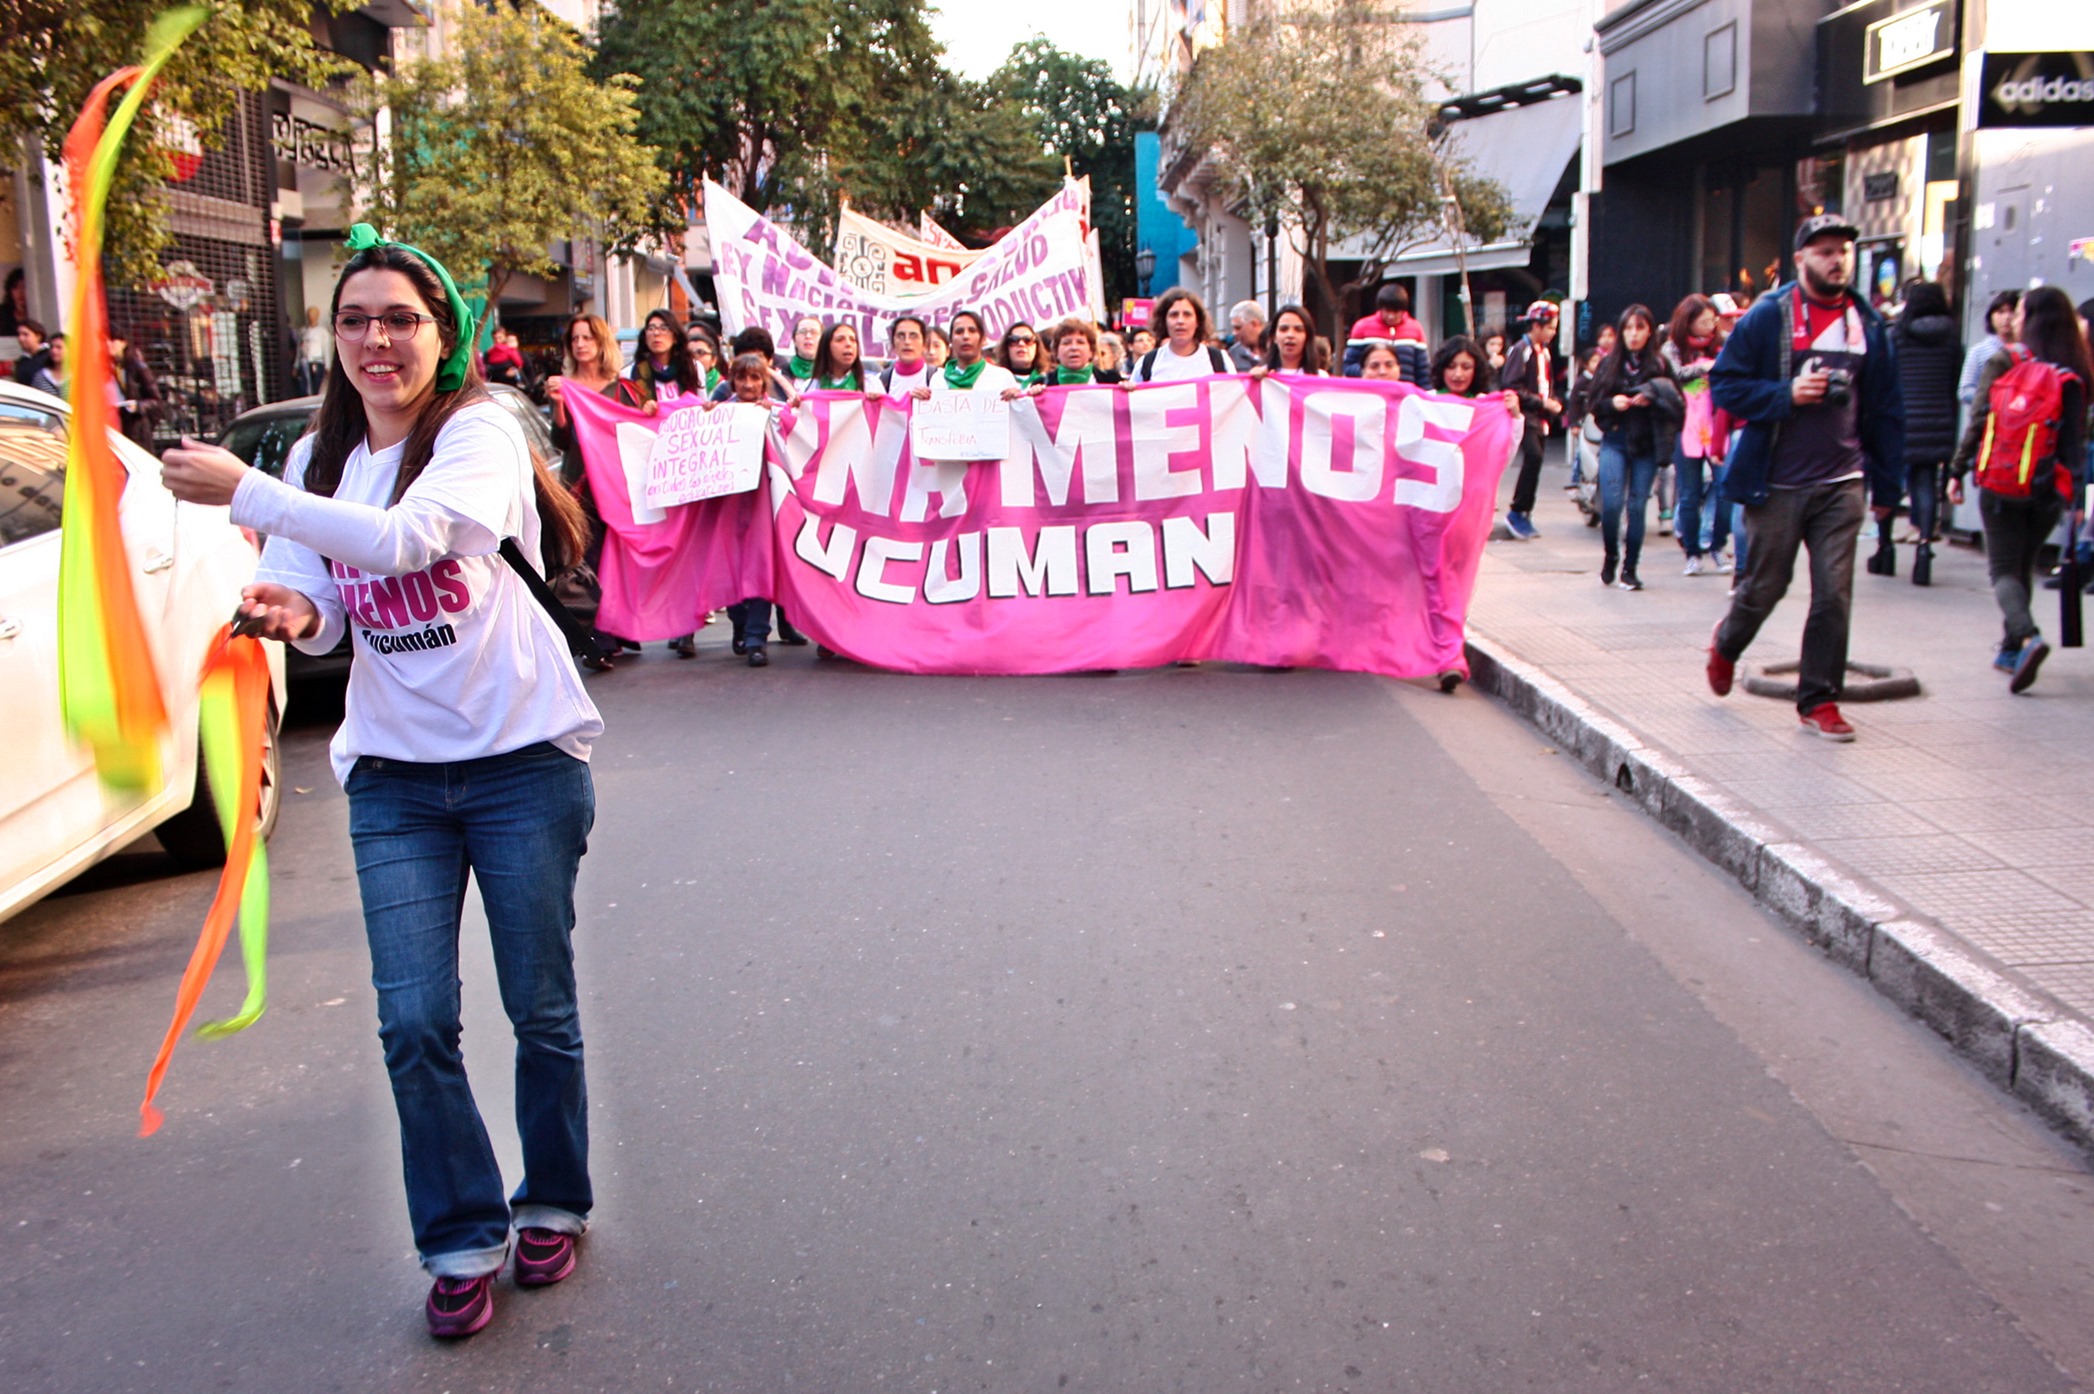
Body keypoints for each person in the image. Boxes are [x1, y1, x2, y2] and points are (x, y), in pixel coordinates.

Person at [158, 225, 603, 1340]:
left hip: (520, 765)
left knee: (538, 1004)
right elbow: (325, 611)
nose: (374, 339)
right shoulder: (321, 462)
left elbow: (413, 541)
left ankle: (553, 1193)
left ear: (441, 333)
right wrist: (288, 609)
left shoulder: (481, 432)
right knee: (413, 1021)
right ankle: (458, 1234)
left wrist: (249, 492)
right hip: (396, 780)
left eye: (398, 317)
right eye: (353, 319)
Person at [1706, 213, 1907, 741]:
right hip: (1776, 483)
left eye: (1843, 250)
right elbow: (1724, 384)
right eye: (1824, 252)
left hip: (1844, 481)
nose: (1837, 260)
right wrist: (1785, 396)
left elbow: (1885, 408)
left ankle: (1819, 699)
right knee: (1768, 585)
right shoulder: (1769, 317)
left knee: (1834, 594)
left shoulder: (1869, 323)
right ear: (1800, 260)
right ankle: (1727, 641)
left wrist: (1889, 486)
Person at [1947, 285, 2090, 692]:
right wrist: (2076, 497)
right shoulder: (2075, 371)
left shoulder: (2005, 360)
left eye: (2020, 311)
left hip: (2002, 482)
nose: (2013, 318)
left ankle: (2027, 636)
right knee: (2022, 562)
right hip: (2048, 489)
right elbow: (2076, 442)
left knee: (2003, 569)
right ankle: (2012, 648)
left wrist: (1956, 471)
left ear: (2030, 319)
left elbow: (1978, 421)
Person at [626, 308, 708, 657]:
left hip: (688, 468)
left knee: (691, 549)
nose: (656, 333)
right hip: (652, 469)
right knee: (666, 551)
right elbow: (624, 419)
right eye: (650, 328)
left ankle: (688, 626)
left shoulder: (694, 369)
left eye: (662, 327)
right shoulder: (632, 373)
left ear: (675, 334)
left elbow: (704, 410)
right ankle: (672, 619)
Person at [1586, 305, 1679, 590]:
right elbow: (1593, 405)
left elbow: (1676, 403)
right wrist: (1612, 404)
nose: (1634, 334)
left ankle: (1630, 567)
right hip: (1615, 440)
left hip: (1646, 444)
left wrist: (1652, 398)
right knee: (1611, 504)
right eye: (1628, 328)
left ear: (1649, 330)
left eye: (1640, 328)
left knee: (1637, 506)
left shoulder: (1660, 364)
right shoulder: (1608, 364)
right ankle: (1611, 556)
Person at [709, 352, 792, 668]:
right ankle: (740, 623)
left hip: (763, 503)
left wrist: (775, 416)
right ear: (733, 381)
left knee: (759, 567)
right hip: (728, 505)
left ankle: (757, 638)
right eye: (741, 378)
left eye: (754, 378)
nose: (747, 384)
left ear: (763, 382)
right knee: (730, 567)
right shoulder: (719, 412)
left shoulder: (773, 412)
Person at [1887, 279, 1961, 586]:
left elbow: (1888, 376)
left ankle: (1884, 544)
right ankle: (1924, 545)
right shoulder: (1952, 337)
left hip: (1904, 417)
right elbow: (1953, 381)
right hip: (1939, 417)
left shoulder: (1899, 334)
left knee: (1896, 479)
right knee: (1927, 481)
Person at [1663, 294, 1730, 576]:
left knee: (1726, 489)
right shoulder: (1672, 347)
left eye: (1712, 321)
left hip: (1718, 425)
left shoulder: (1722, 344)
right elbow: (1673, 374)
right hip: (1685, 426)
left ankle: (1717, 545)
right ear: (1688, 322)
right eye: (1704, 322)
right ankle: (1692, 551)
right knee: (1689, 495)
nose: (1710, 326)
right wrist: (1704, 367)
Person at [1497, 302, 1563, 539]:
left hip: (1541, 416)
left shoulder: (1543, 352)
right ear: (1537, 325)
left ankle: (1525, 511)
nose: (1553, 332)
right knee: (1533, 457)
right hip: (1525, 416)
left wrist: (1552, 401)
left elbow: (1547, 385)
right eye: (1551, 327)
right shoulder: (1520, 350)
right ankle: (1517, 510)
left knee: (1537, 460)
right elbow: (1512, 387)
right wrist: (1541, 402)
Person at [1130, 288, 1230, 382]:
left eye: (1187, 314)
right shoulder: (1147, 363)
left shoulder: (1219, 360)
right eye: (1174, 315)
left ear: (1198, 321)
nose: (1180, 321)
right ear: (1164, 321)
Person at [1343, 282, 1428, 382]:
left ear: (1404, 310)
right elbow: (1349, 366)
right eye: (1387, 311)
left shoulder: (1415, 328)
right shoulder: (1362, 327)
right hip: (1371, 390)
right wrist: (1371, 372)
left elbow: (1423, 370)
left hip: (1405, 392)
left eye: (1396, 312)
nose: (1391, 316)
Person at [1430, 335, 1521, 419]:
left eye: (1466, 367)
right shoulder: (1426, 402)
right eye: (1451, 366)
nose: (1458, 374)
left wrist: (1515, 415)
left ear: (1476, 370)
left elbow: (1507, 436)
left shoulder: (1486, 406)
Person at [1959, 290, 2020, 408]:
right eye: (2000, 312)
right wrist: (1993, 399)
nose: (2007, 317)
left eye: (2012, 311)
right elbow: (1965, 391)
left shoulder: (2026, 351)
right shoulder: (1978, 351)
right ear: (1991, 317)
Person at [110, 330, 166, 449]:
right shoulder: (107, 367)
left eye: (112, 340)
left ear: (123, 343)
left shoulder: (136, 366)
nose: (108, 344)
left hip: (136, 429)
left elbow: (156, 401)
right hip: (115, 426)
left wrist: (138, 406)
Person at [1251, 304, 1326, 377]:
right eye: (1283, 329)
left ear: (1307, 337)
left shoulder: (1320, 377)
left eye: (1298, 330)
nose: (1290, 335)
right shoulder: (1262, 376)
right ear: (1274, 337)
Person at [809, 321, 872, 394]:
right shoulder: (811, 386)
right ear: (826, 347)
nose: (848, 344)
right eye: (840, 340)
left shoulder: (870, 384)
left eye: (853, 340)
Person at [879, 315, 934, 394]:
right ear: (893, 343)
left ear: (924, 343)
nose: (907, 342)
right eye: (901, 336)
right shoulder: (879, 382)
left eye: (914, 336)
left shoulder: (939, 378)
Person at [781, 314, 823, 386]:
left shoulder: (832, 375)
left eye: (814, 332)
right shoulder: (782, 373)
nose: (808, 336)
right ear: (794, 340)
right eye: (802, 332)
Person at [1227, 300, 1268, 372]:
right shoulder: (1232, 354)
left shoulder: (1278, 352)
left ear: (1254, 324)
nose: (1234, 333)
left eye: (1238, 328)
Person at [13, 317, 51, 387]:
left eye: (25, 334)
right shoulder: (22, 361)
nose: (20, 338)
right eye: (19, 334)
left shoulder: (50, 356)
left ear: (38, 336)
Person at [685, 322, 722, 394]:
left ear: (714, 359)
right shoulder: (677, 384)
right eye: (689, 354)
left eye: (700, 353)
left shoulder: (723, 388)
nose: (694, 358)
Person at [28, 331, 68, 398]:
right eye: (51, 347)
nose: (53, 351)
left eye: (59, 347)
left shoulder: (78, 376)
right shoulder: (41, 377)